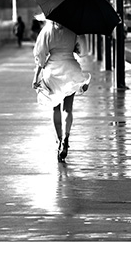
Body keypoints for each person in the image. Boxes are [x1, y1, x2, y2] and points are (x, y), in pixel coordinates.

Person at [32, 20, 91, 162]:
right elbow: (83, 51)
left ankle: (59, 141)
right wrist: (74, 48)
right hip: (71, 70)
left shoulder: (48, 30)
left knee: (55, 108)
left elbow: (40, 55)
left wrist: (36, 76)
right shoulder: (74, 29)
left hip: (52, 72)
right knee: (68, 109)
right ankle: (66, 138)